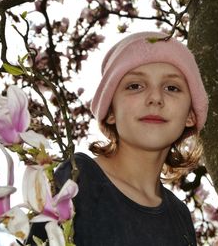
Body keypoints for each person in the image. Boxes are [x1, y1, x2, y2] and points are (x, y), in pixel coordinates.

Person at [27, 31, 208, 246]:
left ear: (190, 116)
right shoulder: (79, 178)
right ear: (110, 111)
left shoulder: (180, 216)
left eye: (172, 88)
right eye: (135, 86)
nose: (155, 98)